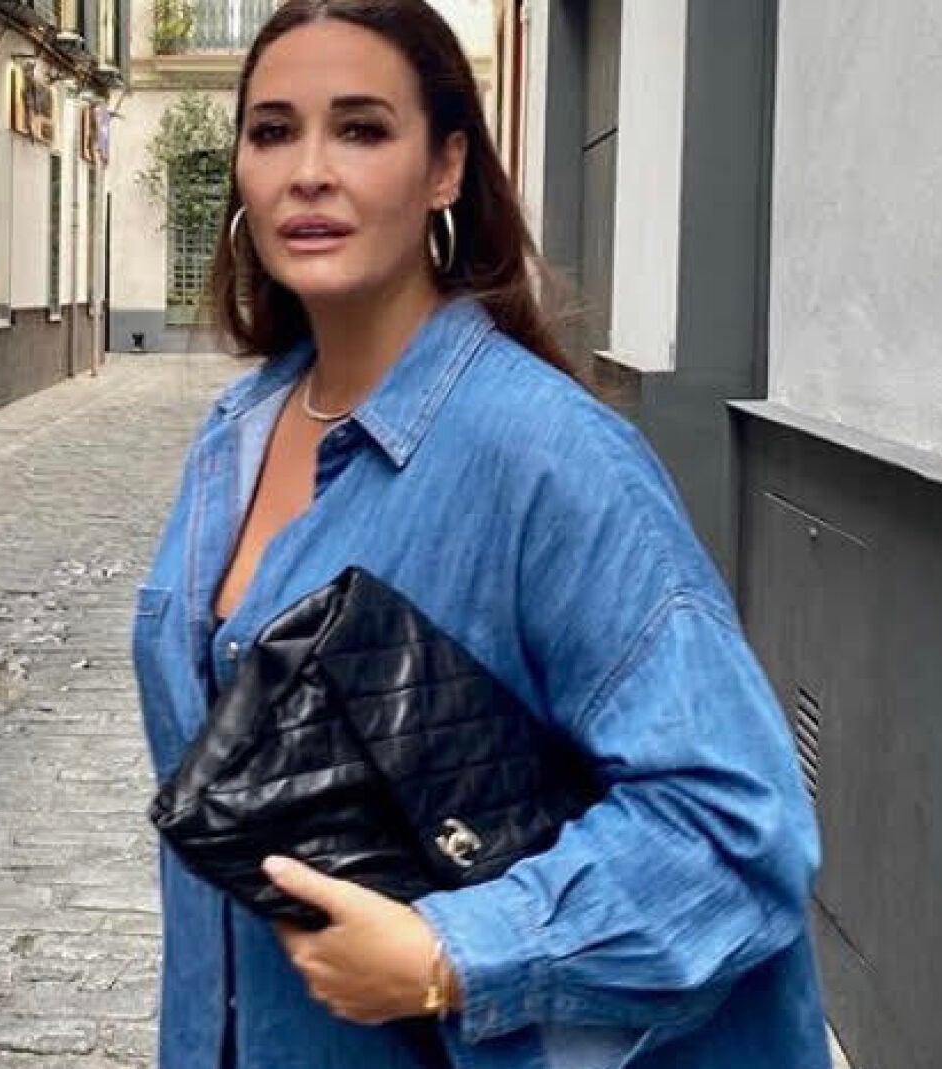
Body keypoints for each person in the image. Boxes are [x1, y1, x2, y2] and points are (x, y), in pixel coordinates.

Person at [129, 1, 831, 1065]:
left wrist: (447, 953)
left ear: (446, 168)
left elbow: (735, 831)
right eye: (272, 131)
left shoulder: (549, 458)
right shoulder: (237, 431)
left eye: (361, 129)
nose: (307, 172)